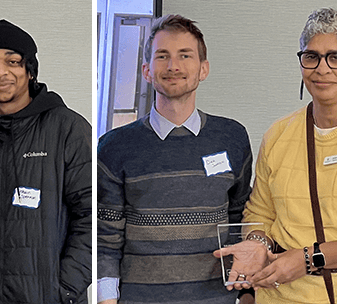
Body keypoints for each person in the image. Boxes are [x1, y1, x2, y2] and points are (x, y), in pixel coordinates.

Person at [213, 8, 337, 304]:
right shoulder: (278, 134)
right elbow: (260, 213)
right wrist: (257, 243)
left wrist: (310, 258)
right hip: (282, 297)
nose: (322, 69)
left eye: (336, 57)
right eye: (311, 57)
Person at [97, 14, 253, 304]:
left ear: (203, 69)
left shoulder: (232, 138)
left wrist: (246, 293)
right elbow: (106, 239)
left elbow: (240, 218)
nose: (173, 66)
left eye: (185, 55)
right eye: (162, 56)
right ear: (146, 70)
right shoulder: (113, 147)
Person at [0, 19, 93, 303]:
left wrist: (64, 288)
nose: (0, 72)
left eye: (13, 62)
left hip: (49, 296)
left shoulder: (68, 129)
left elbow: (93, 215)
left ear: (30, 70)